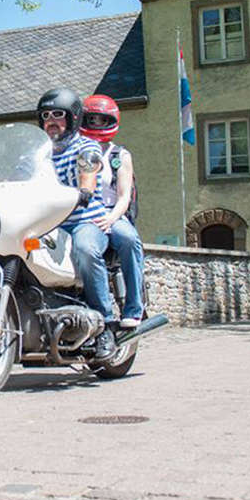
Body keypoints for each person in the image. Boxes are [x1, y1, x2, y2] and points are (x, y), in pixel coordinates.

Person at [37, 88, 118, 353]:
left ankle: (105, 325)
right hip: (50, 224)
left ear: (72, 118)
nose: (51, 121)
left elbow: (88, 170)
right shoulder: (38, 154)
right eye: (46, 116)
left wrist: (84, 188)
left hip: (85, 221)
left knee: (85, 249)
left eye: (58, 115)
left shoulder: (86, 146)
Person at [79, 94, 145, 329]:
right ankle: (97, 309)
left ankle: (135, 307)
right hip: (85, 216)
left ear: (112, 121)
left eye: (101, 120)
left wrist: (111, 218)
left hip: (112, 212)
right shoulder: (75, 151)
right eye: (91, 119)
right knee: (86, 250)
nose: (96, 124)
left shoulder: (119, 155)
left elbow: (124, 195)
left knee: (128, 239)